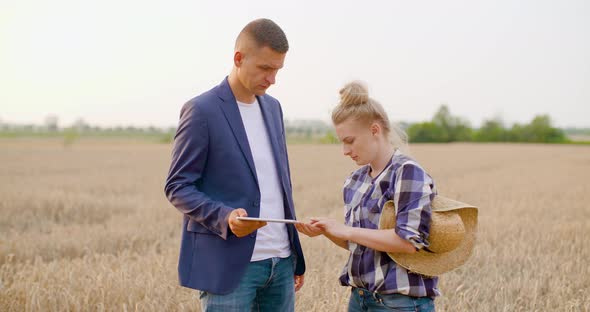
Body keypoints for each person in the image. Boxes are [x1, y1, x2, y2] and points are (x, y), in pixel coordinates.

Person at [164, 18, 305, 312]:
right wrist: (224, 216)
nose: (272, 79)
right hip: (228, 266)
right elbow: (177, 186)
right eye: (265, 68)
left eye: (277, 70)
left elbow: (278, 183)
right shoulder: (202, 110)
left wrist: (292, 254)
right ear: (238, 58)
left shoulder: (273, 108)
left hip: (280, 264)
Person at [296, 81, 438, 311]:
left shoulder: (407, 172)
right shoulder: (355, 180)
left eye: (349, 141)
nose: (345, 151)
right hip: (360, 299)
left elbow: (408, 241)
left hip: (400, 303)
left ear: (375, 130)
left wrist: (347, 230)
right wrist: (329, 230)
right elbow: (360, 243)